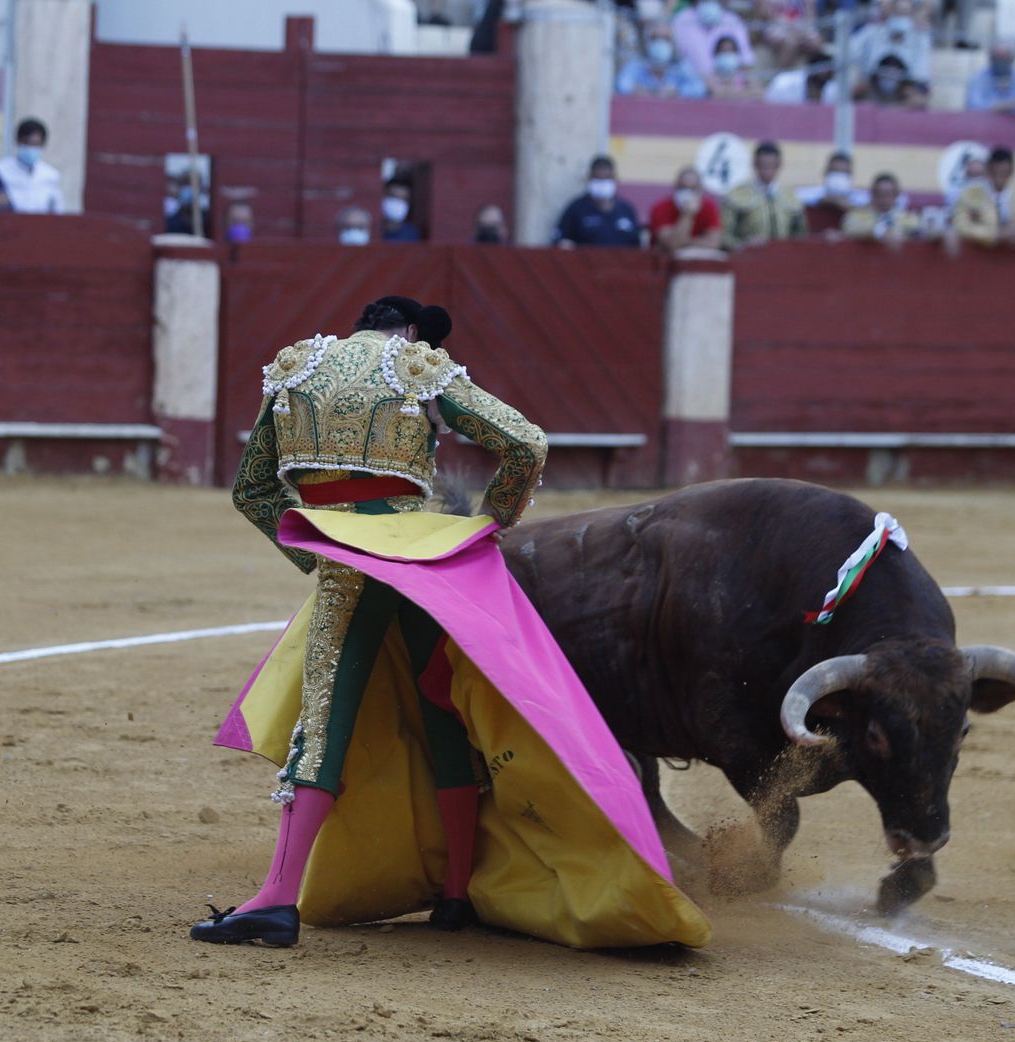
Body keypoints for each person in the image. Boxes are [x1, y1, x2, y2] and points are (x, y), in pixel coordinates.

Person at [196, 296, 711, 951]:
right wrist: (487, 526)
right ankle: (457, 891)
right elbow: (526, 443)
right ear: (411, 332)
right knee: (443, 705)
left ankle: (277, 898)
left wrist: (317, 548)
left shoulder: (294, 368)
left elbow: (252, 490)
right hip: (425, 561)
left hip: (346, 563)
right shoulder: (416, 365)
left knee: (324, 722)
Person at [952, 146, 1015, 248]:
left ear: (1011, 171)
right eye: (995, 173)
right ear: (988, 170)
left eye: (1004, 173)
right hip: (983, 251)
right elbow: (960, 226)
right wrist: (994, 235)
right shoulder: (970, 194)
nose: (999, 178)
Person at [721, 140, 806, 250]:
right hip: (749, 257)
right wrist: (744, 245)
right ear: (755, 165)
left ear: (778, 165)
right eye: (762, 165)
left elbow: (801, 235)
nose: (766, 170)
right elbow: (724, 236)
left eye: (771, 165)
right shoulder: (736, 195)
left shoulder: (791, 196)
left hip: (784, 256)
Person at [552, 156, 640, 248]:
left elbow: (637, 246)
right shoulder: (576, 209)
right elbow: (560, 241)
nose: (602, 183)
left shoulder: (626, 210)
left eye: (606, 178)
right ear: (590, 179)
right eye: (598, 179)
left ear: (614, 179)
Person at [848, 0, 930, 93]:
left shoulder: (920, 39)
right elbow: (847, 54)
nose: (899, 18)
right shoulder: (871, 32)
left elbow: (921, 79)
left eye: (903, 14)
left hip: (902, 94)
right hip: (870, 92)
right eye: (896, 12)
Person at [616, 22, 707, 99]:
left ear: (673, 43)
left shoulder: (681, 67)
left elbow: (699, 88)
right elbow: (622, 84)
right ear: (647, 42)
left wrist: (677, 92)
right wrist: (640, 90)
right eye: (655, 38)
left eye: (666, 39)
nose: (660, 43)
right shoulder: (636, 64)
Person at [0, 118, 63, 214]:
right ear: (17, 141)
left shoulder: (51, 175)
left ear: (43, 145)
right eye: (26, 143)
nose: (31, 148)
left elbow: (57, 210)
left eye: (36, 144)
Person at [672, 0, 752, 82]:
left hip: (728, 83)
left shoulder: (733, 20)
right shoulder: (682, 20)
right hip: (692, 83)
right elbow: (675, 58)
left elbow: (746, 61)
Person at [649, 166, 721, 252]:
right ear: (675, 187)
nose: (687, 193)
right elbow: (673, 245)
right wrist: (687, 214)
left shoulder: (709, 207)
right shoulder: (661, 208)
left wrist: (685, 241)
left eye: (693, 189)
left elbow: (713, 243)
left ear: (700, 190)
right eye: (683, 188)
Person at [841, 173, 922, 246]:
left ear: (896, 195)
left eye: (888, 194)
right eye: (879, 193)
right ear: (873, 194)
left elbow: (918, 232)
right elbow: (849, 228)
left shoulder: (908, 217)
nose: (884, 199)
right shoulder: (857, 215)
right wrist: (878, 232)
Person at [799, 151, 865, 235]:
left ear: (850, 175)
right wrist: (827, 200)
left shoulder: (860, 199)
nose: (839, 177)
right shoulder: (811, 194)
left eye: (843, 172)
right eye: (835, 171)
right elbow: (799, 199)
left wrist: (850, 206)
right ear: (825, 172)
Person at [705, 37, 757, 101]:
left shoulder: (745, 77)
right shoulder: (710, 78)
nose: (727, 54)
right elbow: (715, 95)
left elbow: (758, 94)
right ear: (717, 53)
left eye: (730, 50)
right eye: (724, 51)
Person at [380, 176, 421, 242]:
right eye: (393, 197)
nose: (397, 203)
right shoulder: (370, 230)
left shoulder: (412, 235)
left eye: (403, 199)